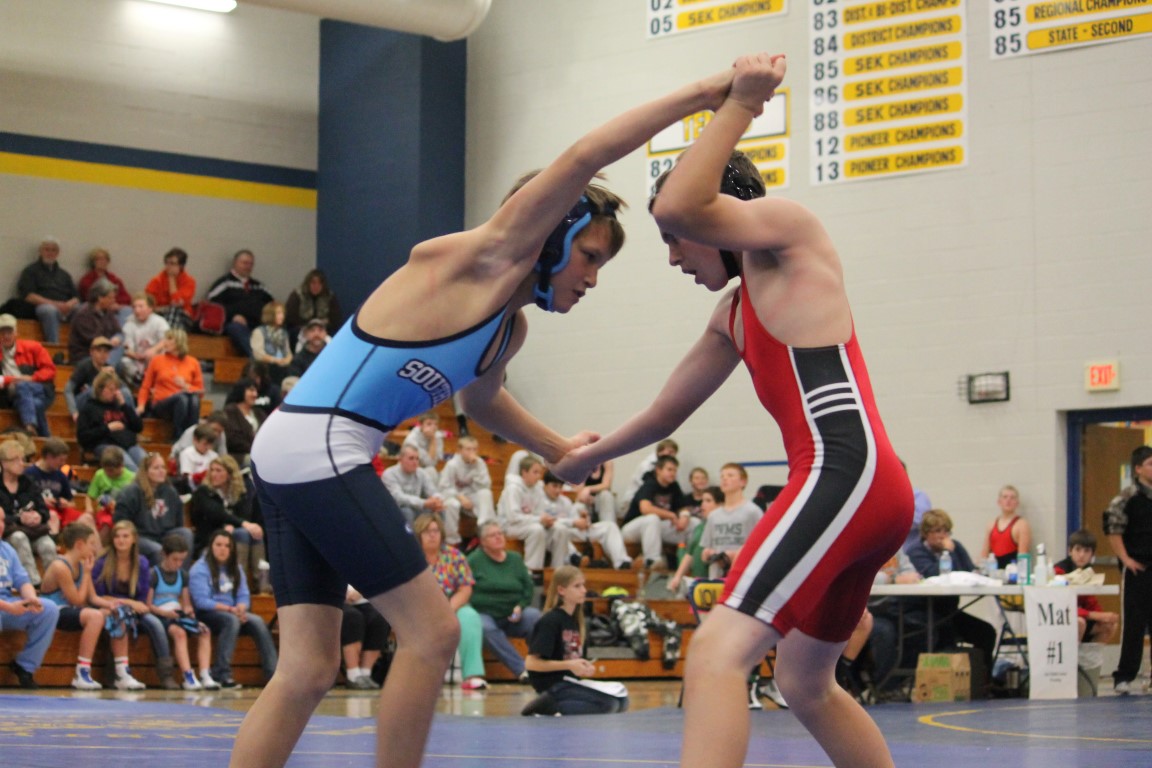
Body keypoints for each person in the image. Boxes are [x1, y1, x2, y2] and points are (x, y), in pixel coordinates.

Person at [239, 60, 740, 768]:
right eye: (589, 257)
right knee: (433, 633)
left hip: (297, 448)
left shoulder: (507, 330)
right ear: (551, 235)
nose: (592, 278)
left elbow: (479, 402)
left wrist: (559, 448)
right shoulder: (478, 260)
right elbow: (585, 156)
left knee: (307, 668)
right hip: (321, 442)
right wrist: (706, 95)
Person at [553, 53, 914, 768]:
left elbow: (681, 205)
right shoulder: (734, 313)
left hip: (844, 472)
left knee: (717, 650)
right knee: (804, 683)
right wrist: (585, 457)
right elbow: (663, 416)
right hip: (866, 484)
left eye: (672, 243)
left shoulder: (791, 238)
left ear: (722, 214)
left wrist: (740, 103)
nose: (672, 256)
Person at [40, 522, 141, 690]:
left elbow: (92, 597)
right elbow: (78, 601)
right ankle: (82, 672)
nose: (95, 548)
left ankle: (121, 672)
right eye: (92, 543)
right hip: (53, 612)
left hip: (71, 611)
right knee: (95, 616)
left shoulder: (80, 564)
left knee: (119, 613)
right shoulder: (60, 566)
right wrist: (87, 573)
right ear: (80, 544)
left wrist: (114, 604)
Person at [522, 565, 629, 716]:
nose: (584, 590)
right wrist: (569, 665)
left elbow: (572, 658)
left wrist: (584, 667)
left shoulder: (576, 622)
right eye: (577, 586)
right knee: (609, 705)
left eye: (583, 585)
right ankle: (545, 706)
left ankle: (555, 706)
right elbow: (531, 663)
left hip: (570, 683)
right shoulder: (551, 620)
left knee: (622, 701)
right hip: (553, 685)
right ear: (561, 590)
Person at [906, 510, 996, 674]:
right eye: (938, 531)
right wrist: (947, 553)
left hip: (950, 611)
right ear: (926, 533)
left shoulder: (956, 546)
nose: (943, 536)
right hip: (926, 610)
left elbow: (968, 572)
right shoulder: (915, 551)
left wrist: (953, 553)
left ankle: (985, 680)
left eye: (946, 531)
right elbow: (932, 575)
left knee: (986, 632)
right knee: (943, 635)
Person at [189, 529, 278, 688]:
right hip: (208, 614)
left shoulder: (235, 567)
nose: (223, 549)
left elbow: (243, 594)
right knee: (231, 621)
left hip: (233, 612)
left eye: (227, 546)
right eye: (218, 545)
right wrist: (231, 610)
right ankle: (221, 674)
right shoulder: (200, 569)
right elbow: (201, 602)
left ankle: (273, 674)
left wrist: (241, 608)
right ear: (211, 547)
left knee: (257, 621)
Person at [414, 512, 487, 690]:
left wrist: (447, 609)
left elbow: (465, 588)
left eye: (436, 531)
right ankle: (419, 677)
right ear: (418, 535)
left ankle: (473, 675)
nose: (432, 535)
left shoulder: (454, 556)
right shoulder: (410, 558)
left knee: (470, 617)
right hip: (419, 608)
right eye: (427, 531)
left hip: (451, 605)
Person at [92, 520, 168, 689]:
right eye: (117, 536)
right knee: (120, 616)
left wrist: (134, 605)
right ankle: (118, 673)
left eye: (125, 536)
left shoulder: (142, 563)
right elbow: (98, 596)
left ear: (134, 539)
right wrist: (128, 602)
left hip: (135, 609)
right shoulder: (102, 562)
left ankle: (166, 674)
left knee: (155, 624)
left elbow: (142, 599)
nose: (121, 540)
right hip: (110, 608)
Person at [1104, 444, 1152, 695]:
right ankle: (1124, 676)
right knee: (1134, 623)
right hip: (1137, 570)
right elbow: (1113, 529)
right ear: (1138, 469)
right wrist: (1125, 558)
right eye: (1150, 464)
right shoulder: (1126, 498)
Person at [467, 521, 541, 681]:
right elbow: (466, 589)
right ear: (483, 541)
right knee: (484, 627)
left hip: (514, 614)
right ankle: (522, 669)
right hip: (485, 613)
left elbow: (528, 587)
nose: (498, 537)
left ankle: (540, 666)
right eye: (492, 535)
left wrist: (520, 606)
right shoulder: (473, 561)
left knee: (536, 617)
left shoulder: (515, 559)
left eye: (500, 533)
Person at [147, 532, 220, 691]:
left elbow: (186, 603)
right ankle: (188, 675)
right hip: (161, 616)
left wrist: (188, 611)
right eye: (175, 559)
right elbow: (148, 605)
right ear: (164, 555)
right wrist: (165, 613)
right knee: (179, 633)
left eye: (182, 560)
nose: (178, 564)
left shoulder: (183, 575)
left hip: (177, 614)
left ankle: (205, 674)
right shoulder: (154, 574)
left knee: (204, 630)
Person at [0, 510, 61, 689]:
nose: (1, 525)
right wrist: (9, 607)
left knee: (49, 609)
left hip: (7, 604)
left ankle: (25, 667)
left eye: (2, 520)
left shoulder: (7, 550)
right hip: (5, 606)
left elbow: (23, 581)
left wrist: (32, 600)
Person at [189, 455, 264, 583]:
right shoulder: (203, 492)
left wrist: (236, 525)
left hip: (233, 535)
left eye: (218, 470)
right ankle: (239, 581)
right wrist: (239, 524)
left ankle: (262, 583)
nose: (214, 474)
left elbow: (245, 514)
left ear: (230, 474)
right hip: (209, 540)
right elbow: (216, 513)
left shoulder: (239, 492)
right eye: (212, 470)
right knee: (243, 533)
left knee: (255, 533)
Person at [113, 452, 193, 566]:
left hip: (165, 535)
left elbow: (178, 522)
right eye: (156, 468)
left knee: (186, 533)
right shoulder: (131, 492)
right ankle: (159, 576)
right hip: (140, 537)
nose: (161, 471)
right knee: (157, 550)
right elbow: (121, 522)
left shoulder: (170, 491)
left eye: (163, 467)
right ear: (145, 472)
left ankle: (182, 574)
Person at [541, 471, 631, 570]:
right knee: (561, 530)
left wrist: (583, 520)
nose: (558, 490)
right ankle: (575, 558)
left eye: (560, 487)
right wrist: (573, 522)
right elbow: (546, 521)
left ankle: (622, 562)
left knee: (610, 526)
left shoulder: (565, 501)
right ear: (545, 485)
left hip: (573, 531)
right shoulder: (540, 501)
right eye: (554, 486)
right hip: (554, 533)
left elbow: (574, 519)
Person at [0, 439, 57, 587]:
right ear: (4, 463)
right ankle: (33, 584)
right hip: (8, 533)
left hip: (33, 531)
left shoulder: (29, 482)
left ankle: (54, 585)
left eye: (22, 459)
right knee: (19, 538)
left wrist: (39, 516)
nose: (21, 463)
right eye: (16, 460)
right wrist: (20, 519)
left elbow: (44, 510)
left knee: (48, 545)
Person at [620, 455, 692, 571]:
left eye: (675, 470)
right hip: (632, 529)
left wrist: (684, 516)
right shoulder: (649, 484)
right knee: (652, 518)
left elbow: (683, 507)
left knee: (693, 523)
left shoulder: (674, 486)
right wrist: (671, 515)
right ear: (658, 470)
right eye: (669, 469)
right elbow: (645, 509)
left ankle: (691, 561)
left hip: (655, 529)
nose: (673, 473)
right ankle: (652, 561)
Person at [205, 249, 274, 358]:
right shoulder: (224, 283)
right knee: (236, 328)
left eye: (251, 264)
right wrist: (233, 316)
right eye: (245, 263)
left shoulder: (259, 286)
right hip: (234, 324)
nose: (248, 267)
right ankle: (258, 357)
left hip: (257, 323)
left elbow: (272, 305)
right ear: (235, 263)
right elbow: (213, 306)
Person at [1053, 529, 1119, 644]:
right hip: (1060, 616)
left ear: (1092, 554)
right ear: (1070, 551)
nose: (1082, 555)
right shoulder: (1059, 571)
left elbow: (1089, 601)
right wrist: (1095, 615)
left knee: (1109, 624)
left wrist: (1104, 616)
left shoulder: (1088, 572)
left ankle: (1092, 655)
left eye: (1086, 551)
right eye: (1078, 549)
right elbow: (1061, 605)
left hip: (1080, 614)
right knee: (1079, 622)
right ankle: (1072, 655)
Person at [137, 328, 204, 438]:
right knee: (182, 398)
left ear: (179, 342)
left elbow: (200, 392)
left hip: (185, 402)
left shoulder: (193, 362)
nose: (165, 342)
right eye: (166, 339)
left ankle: (191, 435)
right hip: (162, 403)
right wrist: (141, 405)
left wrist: (185, 386)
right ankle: (177, 435)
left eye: (169, 339)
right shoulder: (157, 360)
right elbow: (146, 386)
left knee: (194, 399)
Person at [698, 464, 762, 579]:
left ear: (743, 482)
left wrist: (737, 555)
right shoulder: (713, 516)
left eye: (730, 475)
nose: (725, 479)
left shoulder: (753, 511)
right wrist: (707, 553)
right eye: (722, 476)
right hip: (716, 577)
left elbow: (761, 546)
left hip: (742, 576)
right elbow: (705, 550)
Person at [76, 369, 146, 470]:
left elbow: (138, 427)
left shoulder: (121, 406)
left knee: (148, 465)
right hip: (106, 445)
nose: (115, 393)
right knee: (132, 468)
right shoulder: (89, 408)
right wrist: (108, 428)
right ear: (101, 389)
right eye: (111, 389)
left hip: (129, 445)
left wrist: (124, 405)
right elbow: (83, 437)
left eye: (116, 389)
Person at [0, 312, 56, 437]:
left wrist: (32, 378)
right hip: (14, 395)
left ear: (16, 332)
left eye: (9, 332)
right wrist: (14, 380)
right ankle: (46, 439)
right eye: (2, 333)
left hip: (40, 390)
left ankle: (29, 425)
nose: (6, 336)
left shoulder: (33, 347)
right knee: (35, 404)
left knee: (23, 386)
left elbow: (50, 370)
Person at [17, 237, 78, 343]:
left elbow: (76, 296)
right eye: (47, 249)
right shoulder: (30, 271)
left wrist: (69, 304)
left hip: (65, 308)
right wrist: (55, 304)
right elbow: (28, 296)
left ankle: (80, 346)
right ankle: (54, 346)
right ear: (40, 251)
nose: (50, 253)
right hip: (43, 307)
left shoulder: (64, 274)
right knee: (49, 310)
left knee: (84, 309)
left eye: (53, 250)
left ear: (57, 253)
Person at [438, 434, 495, 546]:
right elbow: (444, 487)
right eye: (468, 449)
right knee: (452, 504)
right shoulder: (452, 464)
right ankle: (452, 540)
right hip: (454, 496)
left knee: (486, 494)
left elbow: (485, 486)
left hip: (471, 496)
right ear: (460, 450)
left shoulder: (480, 463)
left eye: (474, 449)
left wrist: (476, 468)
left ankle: (484, 531)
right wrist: (460, 497)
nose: (472, 452)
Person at [64, 334, 135, 423]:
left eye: (106, 351)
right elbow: (68, 390)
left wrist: (114, 377)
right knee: (94, 390)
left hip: (100, 405)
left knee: (124, 392)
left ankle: (132, 420)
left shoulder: (109, 368)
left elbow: (123, 389)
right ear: (91, 352)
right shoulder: (84, 366)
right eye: (99, 351)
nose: (102, 354)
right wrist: (74, 412)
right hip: (81, 402)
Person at [26, 437, 91, 533]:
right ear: (49, 456)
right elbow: (24, 500)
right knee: (52, 516)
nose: (63, 463)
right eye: (60, 460)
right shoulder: (30, 474)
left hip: (60, 511)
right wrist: (42, 501)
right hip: (41, 511)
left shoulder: (61, 476)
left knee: (87, 518)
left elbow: (72, 503)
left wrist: (66, 504)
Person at [669, 485, 722, 595]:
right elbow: (689, 554)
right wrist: (677, 577)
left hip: (715, 582)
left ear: (720, 505)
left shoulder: (721, 527)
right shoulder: (699, 527)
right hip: (698, 583)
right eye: (702, 501)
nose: (703, 505)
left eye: (708, 501)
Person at [341, 586, 390, 690]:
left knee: (380, 618)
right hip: (336, 601)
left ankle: (365, 674)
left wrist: (359, 592)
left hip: (361, 600)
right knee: (353, 617)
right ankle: (353, 675)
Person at [382, 444, 445, 525]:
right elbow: (399, 498)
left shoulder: (421, 473)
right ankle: (408, 534)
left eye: (417, 459)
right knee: (407, 512)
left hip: (417, 508)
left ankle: (439, 533)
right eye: (411, 458)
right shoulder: (389, 474)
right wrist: (423, 503)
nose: (415, 462)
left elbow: (432, 491)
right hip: (396, 510)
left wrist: (437, 500)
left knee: (439, 510)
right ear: (400, 459)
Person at [118, 293, 171, 388]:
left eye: (141, 306)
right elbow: (127, 348)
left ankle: (155, 380)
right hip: (136, 359)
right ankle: (140, 379)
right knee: (123, 361)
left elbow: (167, 339)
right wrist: (135, 355)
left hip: (155, 357)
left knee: (160, 357)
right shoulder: (129, 323)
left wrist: (154, 350)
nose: (137, 310)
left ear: (150, 308)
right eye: (134, 307)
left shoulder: (160, 322)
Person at [68, 278, 125, 366]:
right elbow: (95, 341)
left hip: (105, 351)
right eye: (110, 298)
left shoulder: (108, 312)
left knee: (121, 358)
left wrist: (117, 338)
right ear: (100, 298)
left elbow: (119, 332)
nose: (114, 301)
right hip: (85, 355)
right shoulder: (83, 314)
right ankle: (107, 368)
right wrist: (111, 342)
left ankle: (107, 367)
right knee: (119, 359)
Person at [87, 446, 136, 547]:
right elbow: (90, 496)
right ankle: (100, 550)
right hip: (104, 512)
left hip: (123, 512)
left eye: (111, 470)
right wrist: (89, 508)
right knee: (106, 523)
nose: (108, 473)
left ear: (121, 466)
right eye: (106, 470)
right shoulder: (100, 475)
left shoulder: (132, 478)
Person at [619, 438, 679, 516]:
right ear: (660, 451)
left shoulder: (670, 468)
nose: (672, 456)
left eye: (674, 453)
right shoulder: (647, 466)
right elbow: (646, 487)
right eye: (670, 452)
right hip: (636, 499)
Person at [284, 268, 342, 347]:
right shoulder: (297, 295)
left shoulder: (329, 296)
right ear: (308, 284)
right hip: (302, 329)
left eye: (319, 283)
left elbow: (336, 319)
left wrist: (320, 327)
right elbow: (290, 317)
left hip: (324, 329)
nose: (316, 286)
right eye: (313, 283)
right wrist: (309, 326)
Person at [144, 247, 197, 330]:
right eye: (166, 262)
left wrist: (171, 279)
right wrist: (163, 308)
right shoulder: (157, 280)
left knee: (174, 309)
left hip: (182, 317)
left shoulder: (189, 281)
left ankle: (168, 333)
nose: (168, 266)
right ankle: (168, 333)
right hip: (160, 313)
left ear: (181, 266)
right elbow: (147, 302)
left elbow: (177, 303)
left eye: (172, 263)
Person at [980, 485, 1032, 569]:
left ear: (1017, 503)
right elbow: (984, 553)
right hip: (993, 572)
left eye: (1012, 498)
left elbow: (1023, 556)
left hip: (1013, 572)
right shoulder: (991, 524)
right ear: (999, 502)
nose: (1008, 500)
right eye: (1005, 497)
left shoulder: (1022, 525)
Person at [76, 247, 133, 321]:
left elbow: (126, 297)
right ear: (93, 262)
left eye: (105, 259)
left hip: (114, 307)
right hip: (96, 308)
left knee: (128, 310)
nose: (102, 261)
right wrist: (108, 304)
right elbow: (90, 297)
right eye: (99, 259)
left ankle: (119, 329)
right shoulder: (86, 279)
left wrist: (117, 304)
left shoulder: (114, 279)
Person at [223, 378, 266, 466]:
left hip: (261, 454)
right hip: (238, 456)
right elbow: (232, 440)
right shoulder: (230, 411)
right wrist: (255, 449)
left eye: (256, 391)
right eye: (251, 390)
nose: (255, 394)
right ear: (241, 391)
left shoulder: (259, 413)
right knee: (261, 462)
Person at [250, 301, 293, 386]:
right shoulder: (259, 331)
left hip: (282, 366)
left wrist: (287, 359)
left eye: (282, 313)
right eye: (279, 313)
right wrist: (275, 360)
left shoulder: (284, 333)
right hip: (267, 367)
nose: (282, 316)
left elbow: (288, 351)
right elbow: (258, 354)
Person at [402, 410, 444, 484]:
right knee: (430, 471)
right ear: (421, 425)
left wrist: (433, 439)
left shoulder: (437, 436)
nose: (433, 427)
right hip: (410, 469)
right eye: (429, 424)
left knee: (433, 472)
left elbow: (435, 462)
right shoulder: (412, 439)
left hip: (426, 469)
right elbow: (429, 462)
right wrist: (433, 439)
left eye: (435, 424)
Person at [572, 459, 616, 524]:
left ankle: (609, 525)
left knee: (606, 495)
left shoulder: (607, 463)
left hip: (600, 499)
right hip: (586, 500)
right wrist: (585, 495)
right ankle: (581, 525)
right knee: (578, 505)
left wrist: (588, 489)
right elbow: (579, 490)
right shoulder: (583, 462)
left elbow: (606, 485)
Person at [178, 423, 220, 491]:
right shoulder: (187, 454)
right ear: (195, 440)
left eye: (210, 444)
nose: (208, 447)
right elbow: (187, 478)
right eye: (205, 444)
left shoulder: (214, 456)